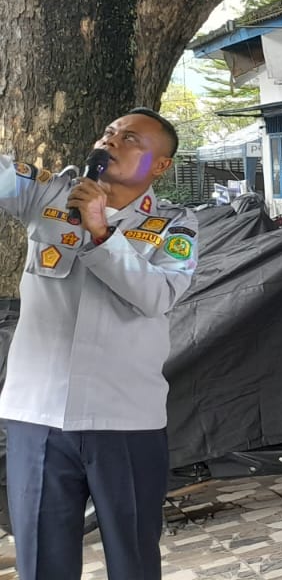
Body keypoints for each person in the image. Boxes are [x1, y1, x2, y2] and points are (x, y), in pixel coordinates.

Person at [0, 108, 199, 580]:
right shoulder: (49, 192)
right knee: (40, 563)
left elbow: (156, 296)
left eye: (131, 138)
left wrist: (101, 231)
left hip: (124, 419)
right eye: (109, 131)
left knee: (132, 560)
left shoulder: (175, 225)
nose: (112, 140)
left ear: (160, 165)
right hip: (38, 415)